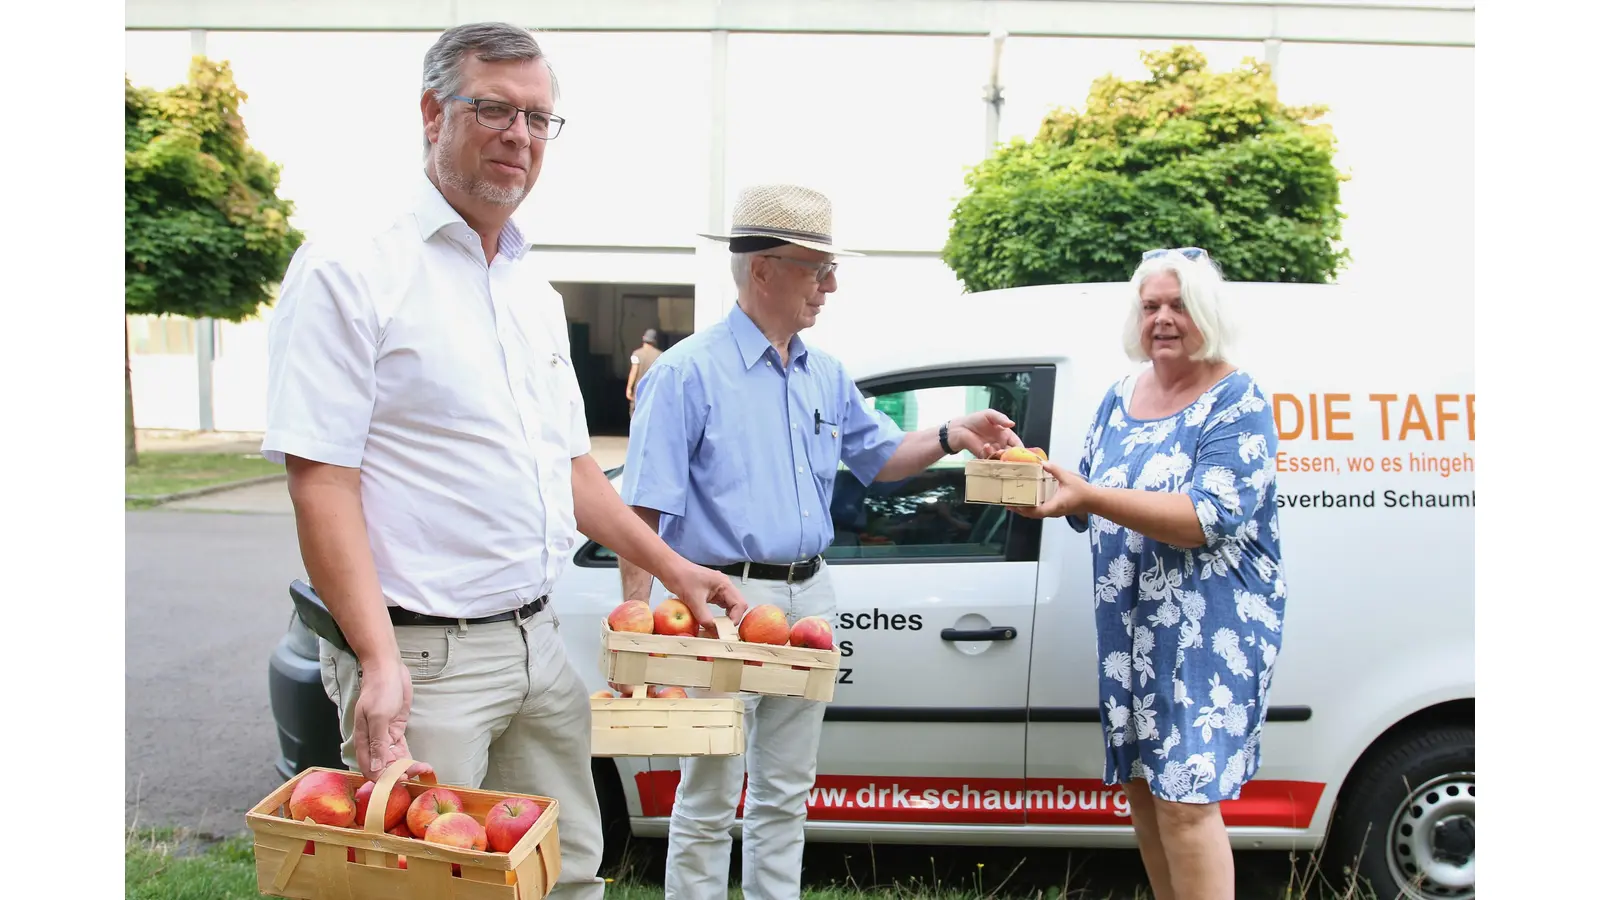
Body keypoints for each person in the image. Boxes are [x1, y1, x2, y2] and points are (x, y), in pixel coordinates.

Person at [259, 22, 746, 900]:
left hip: (536, 639)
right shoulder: (350, 266)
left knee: (568, 871)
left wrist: (676, 571)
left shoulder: (530, 289)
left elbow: (574, 470)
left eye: (538, 118)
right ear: (431, 113)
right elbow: (321, 479)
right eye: (493, 109)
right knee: (433, 888)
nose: (520, 135)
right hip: (421, 657)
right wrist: (378, 661)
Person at [618, 183, 1023, 900]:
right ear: (763, 270)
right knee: (709, 795)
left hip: (809, 598)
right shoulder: (684, 373)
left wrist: (952, 434)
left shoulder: (824, 372)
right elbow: (641, 510)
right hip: (723, 603)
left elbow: (881, 458)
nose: (830, 286)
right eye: (818, 269)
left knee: (786, 791)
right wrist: (637, 628)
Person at [1011, 247, 1288, 900]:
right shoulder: (1119, 396)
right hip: (1130, 628)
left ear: (1206, 313)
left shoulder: (1237, 398)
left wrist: (1088, 495)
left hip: (1207, 632)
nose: (1162, 318)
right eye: (1151, 306)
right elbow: (1087, 498)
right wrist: (1030, 482)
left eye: (1178, 305)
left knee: (1186, 802)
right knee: (1143, 788)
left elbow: (1206, 517)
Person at [626, 327, 662, 417]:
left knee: (636, 414)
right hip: (654, 391)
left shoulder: (637, 354)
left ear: (643, 338)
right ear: (655, 341)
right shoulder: (660, 355)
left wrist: (629, 388)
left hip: (638, 391)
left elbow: (634, 372)